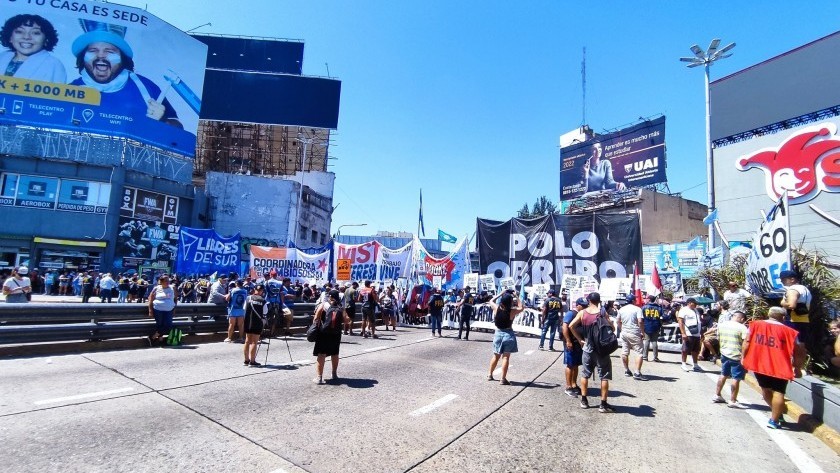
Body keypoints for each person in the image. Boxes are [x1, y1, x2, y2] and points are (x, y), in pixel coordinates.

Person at [69, 21, 182, 128]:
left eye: (109, 51)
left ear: (122, 58)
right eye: (93, 50)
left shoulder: (147, 87)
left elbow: (179, 128)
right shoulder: (70, 90)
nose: (101, 56)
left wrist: (162, 122)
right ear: (83, 57)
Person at [742, 306, 807, 429]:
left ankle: (776, 414)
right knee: (779, 392)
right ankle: (774, 419)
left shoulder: (755, 325)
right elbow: (799, 351)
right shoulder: (790, 332)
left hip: (760, 364)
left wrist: (743, 358)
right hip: (780, 366)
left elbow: (746, 343)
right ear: (783, 317)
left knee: (765, 390)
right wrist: (797, 367)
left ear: (769, 314)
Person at [569, 292, 616, 413]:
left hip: (587, 347)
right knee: (604, 376)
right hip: (602, 349)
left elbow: (571, 326)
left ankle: (584, 400)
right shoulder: (602, 313)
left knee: (585, 374)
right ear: (599, 301)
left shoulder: (582, 313)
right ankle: (603, 404)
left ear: (589, 300)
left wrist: (579, 339)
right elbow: (612, 328)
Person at [0, 14, 66, 82]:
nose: (26, 37)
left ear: (46, 39)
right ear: (10, 37)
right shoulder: (2, 57)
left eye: (35, 33)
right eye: (19, 32)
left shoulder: (54, 64)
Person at [487, 290, 524, 385]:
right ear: (510, 302)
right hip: (508, 334)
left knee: (496, 356)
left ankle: (490, 375)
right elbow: (521, 307)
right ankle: (503, 379)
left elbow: (491, 301)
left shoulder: (496, 308)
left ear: (502, 301)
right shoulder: (512, 311)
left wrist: (501, 293)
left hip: (498, 333)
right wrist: (516, 295)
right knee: (506, 357)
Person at [713, 311, 748, 408]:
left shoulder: (722, 325)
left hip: (724, 353)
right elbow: (746, 343)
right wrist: (744, 356)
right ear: (741, 319)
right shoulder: (742, 328)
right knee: (736, 378)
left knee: (723, 374)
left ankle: (717, 394)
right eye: (743, 320)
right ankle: (732, 400)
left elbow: (718, 338)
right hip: (737, 355)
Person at [312, 290, 344, 385]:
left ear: (330, 297)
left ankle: (319, 378)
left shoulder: (323, 305)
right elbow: (347, 320)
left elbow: (316, 318)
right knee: (335, 353)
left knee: (321, 354)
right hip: (336, 333)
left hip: (324, 332)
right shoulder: (340, 307)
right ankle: (334, 374)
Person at [617, 294, 646, 380]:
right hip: (634, 332)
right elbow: (640, 321)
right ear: (633, 301)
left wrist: (622, 329)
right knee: (639, 353)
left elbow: (618, 321)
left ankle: (626, 370)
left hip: (625, 332)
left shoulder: (621, 309)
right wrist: (642, 332)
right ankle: (637, 372)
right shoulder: (637, 309)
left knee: (624, 352)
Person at [562, 297, 587, 397]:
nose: (585, 307)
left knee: (576, 364)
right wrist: (568, 341)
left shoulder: (582, 314)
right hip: (571, 342)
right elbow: (565, 327)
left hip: (578, 343)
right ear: (577, 305)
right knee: (570, 364)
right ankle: (568, 387)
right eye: (583, 305)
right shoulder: (571, 313)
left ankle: (574, 384)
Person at [779, 270, 812, 343]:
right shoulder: (805, 289)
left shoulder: (793, 289)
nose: (781, 281)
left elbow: (791, 305)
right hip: (804, 320)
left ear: (792, 279)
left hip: (793, 321)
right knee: (800, 344)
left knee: (790, 345)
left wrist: (782, 303)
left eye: (783, 279)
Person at [243, 284, 267, 367]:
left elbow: (244, 309)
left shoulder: (248, 298)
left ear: (254, 289)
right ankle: (252, 361)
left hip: (248, 321)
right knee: (254, 342)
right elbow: (265, 312)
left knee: (247, 341)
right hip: (257, 323)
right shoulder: (263, 301)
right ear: (262, 291)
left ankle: (246, 360)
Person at [147, 274, 176, 345]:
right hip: (158, 310)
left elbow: (175, 299)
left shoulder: (173, 288)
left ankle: (153, 337)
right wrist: (150, 310)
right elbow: (150, 299)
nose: (167, 282)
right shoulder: (156, 288)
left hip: (169, 310)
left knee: (168, 325)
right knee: (160, 325)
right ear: (161, 281)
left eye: (168, 280)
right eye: (165, 281)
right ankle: (160, 340)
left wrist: (174, 308)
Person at [678, 298, 703, 372]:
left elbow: (699, 322)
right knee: (685, 349)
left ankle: (695, 364)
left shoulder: (696, 310)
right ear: (689, 303)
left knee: (695, 350)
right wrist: (683, 333)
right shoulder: (683, 310)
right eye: (694, 303)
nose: (695, 304)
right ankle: (683, 364)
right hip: (688, 333)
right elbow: (680, 322)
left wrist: (701, 332)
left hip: (697, 333)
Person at [641, 295, 663, 362]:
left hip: (647, 326)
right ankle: (655, 357)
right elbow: (662, 317)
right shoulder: (659, 308)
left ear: (649, 299)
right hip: (656, 326)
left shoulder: (644, 307)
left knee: (647, 341)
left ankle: (645, 356)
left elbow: (641, 317)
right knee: (654, 341)